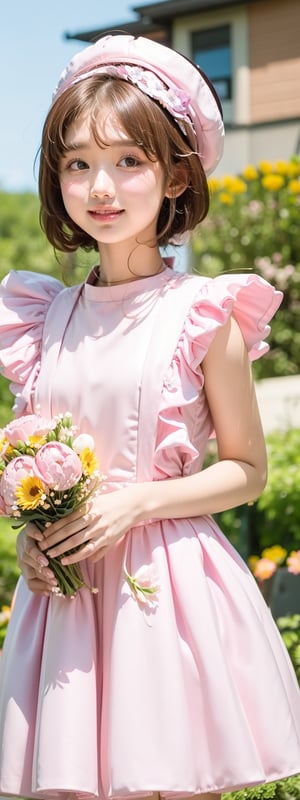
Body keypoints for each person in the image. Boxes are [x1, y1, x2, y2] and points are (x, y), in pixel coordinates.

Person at [0, 32, 299, 800]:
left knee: (164, 777)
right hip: (63, 599)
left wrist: (138, 502)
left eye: (129, 161)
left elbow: (247, 471)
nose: (101, 186)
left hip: (167, 593)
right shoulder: (40, 318)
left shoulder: (204, 315)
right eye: (77, 163)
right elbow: (35, 463)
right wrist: (34, 541)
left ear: (174, 176)